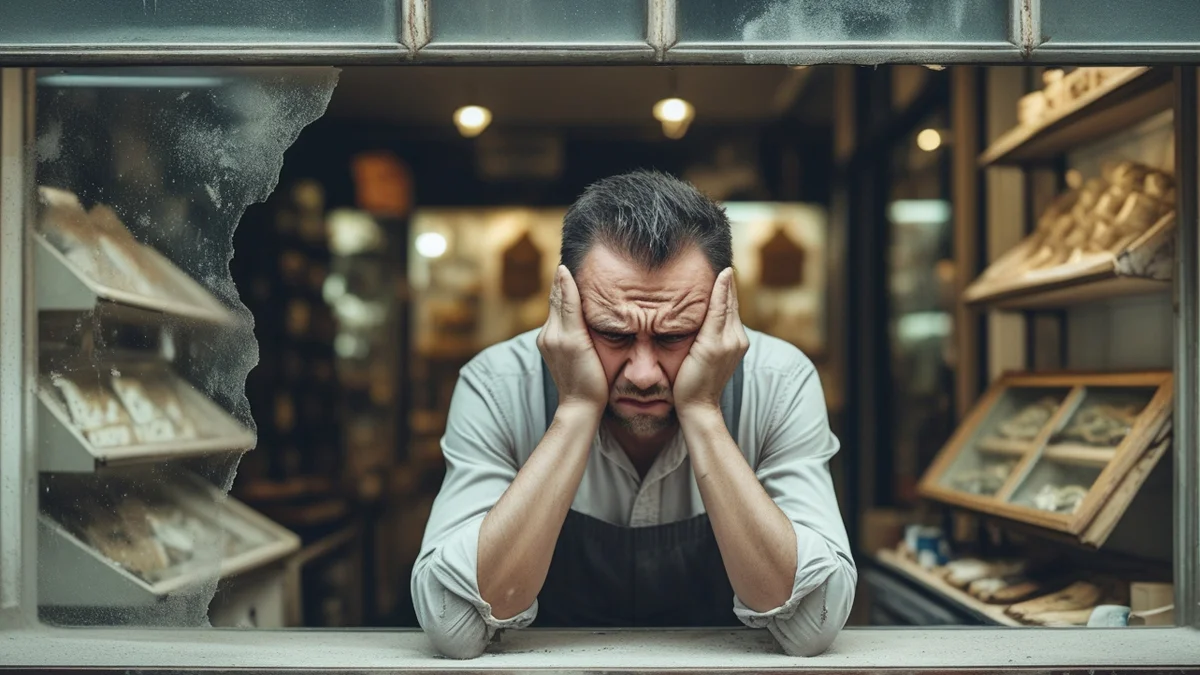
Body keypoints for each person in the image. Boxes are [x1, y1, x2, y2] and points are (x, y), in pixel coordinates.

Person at [411, 170, 855, 659]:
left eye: (674, 336)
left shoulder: (780, 382)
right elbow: (452, 626)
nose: (643, 374)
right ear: (567, 307)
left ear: (721, 314)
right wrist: (577, 409)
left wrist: (703, 411)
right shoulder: (497, 385)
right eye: (613, 334)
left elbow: (815, 623)